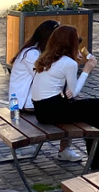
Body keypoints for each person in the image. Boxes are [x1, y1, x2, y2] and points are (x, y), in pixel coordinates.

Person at [31, 25, 99, 170]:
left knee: (93, 111)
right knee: (98, 105)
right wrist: (86, 70)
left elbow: (65, 89)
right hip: (52, 110)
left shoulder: (48, 58)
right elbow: (75, 91)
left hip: (41, 109)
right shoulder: (68, 62)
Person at [9, 20, 80, 162]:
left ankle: (65, 149)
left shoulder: (38, 52)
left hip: (30, 99)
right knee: (68, 106)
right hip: (24, 103)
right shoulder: (32, 54)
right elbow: (44, 76)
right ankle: (64, 149)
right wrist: (69, 61)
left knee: (68, 102)